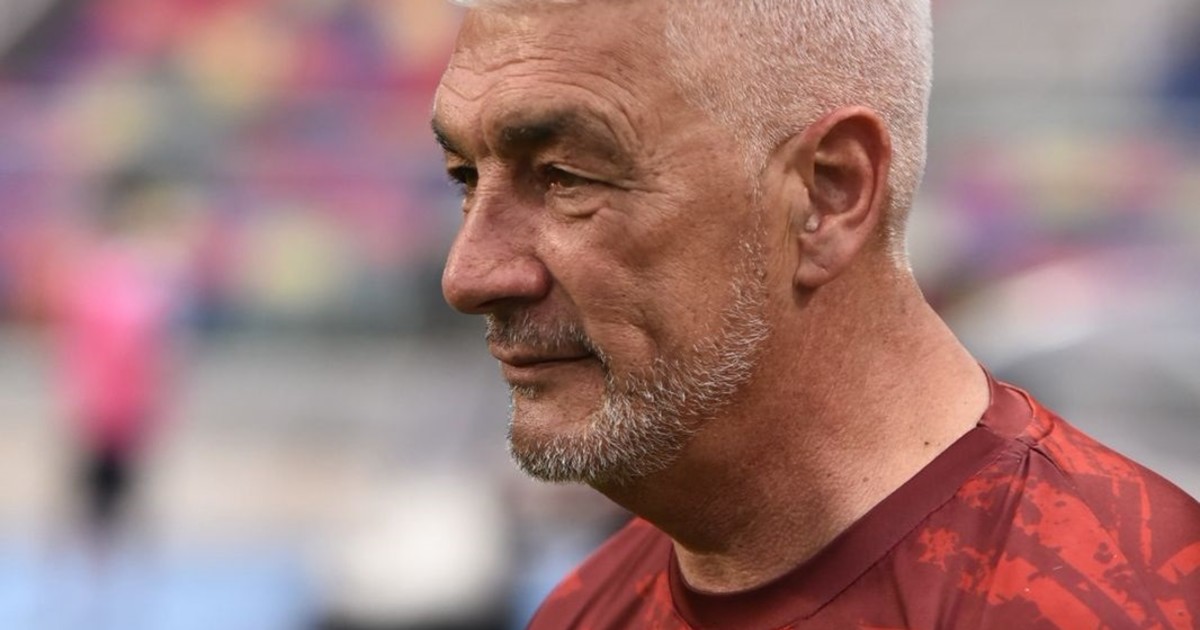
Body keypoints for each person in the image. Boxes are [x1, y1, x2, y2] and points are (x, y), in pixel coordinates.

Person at [431, 0, 1200, 627]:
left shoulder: (1118, 597)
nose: (468, 275)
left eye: (565, 176)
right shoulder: (587, 606)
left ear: (830, 194)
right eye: (465, 176)